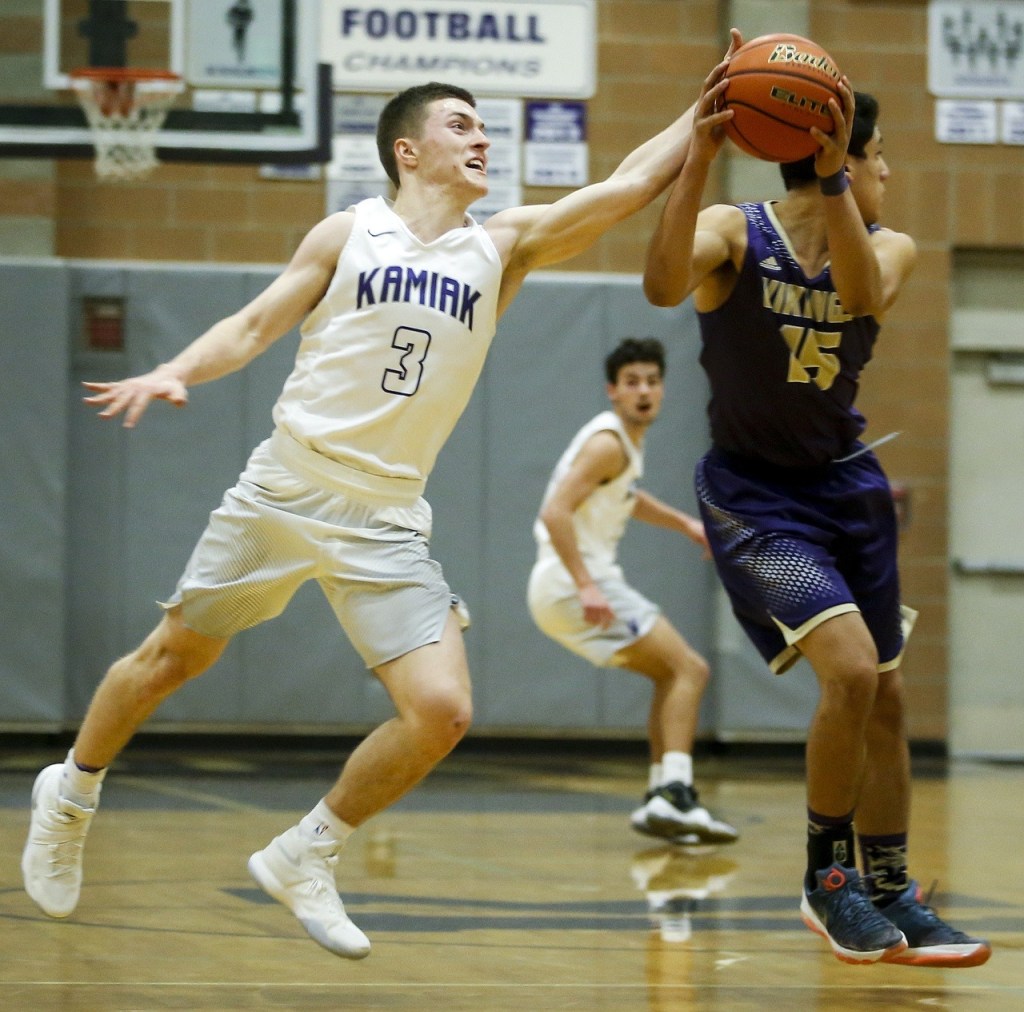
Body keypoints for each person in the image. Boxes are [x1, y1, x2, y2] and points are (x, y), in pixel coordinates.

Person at [21, 40, 742, 961]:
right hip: (288, 487)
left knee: (440, 711)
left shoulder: (504, 245)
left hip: (388, 514)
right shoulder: (346, 232)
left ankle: (305, 853)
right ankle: (72, 792)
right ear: (409, 149)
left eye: (485, 125)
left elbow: (633, 183)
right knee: (170, 659)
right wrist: (173, 369)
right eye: (462, 124)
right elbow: (252, 324)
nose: (482, 138)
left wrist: (705, 109)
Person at [641, 71, 991, 968]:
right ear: (847, 158)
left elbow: (865, 294)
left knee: (887, 694)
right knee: (848, 668)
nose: (887, 176)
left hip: (845, 489)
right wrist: (699, 160)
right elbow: (657, 283)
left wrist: (834, 185)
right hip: (754, 492)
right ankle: (826, 880)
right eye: (878, 161)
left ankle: (890, 890)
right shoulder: (732, 231)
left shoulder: (891, 245)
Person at [527, 337, 737, 847]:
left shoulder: (622, 446)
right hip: (575, 583)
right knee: (692, 669)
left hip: (566, 588)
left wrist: (687, 525)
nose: (644, 391)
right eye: (632, 382)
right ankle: (678, 794)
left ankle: (658, 799)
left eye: (652, 381)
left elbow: (626, 497)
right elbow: (555, 512)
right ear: (613, 391)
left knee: (670, 675)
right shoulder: (608, 443)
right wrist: (586, 585)